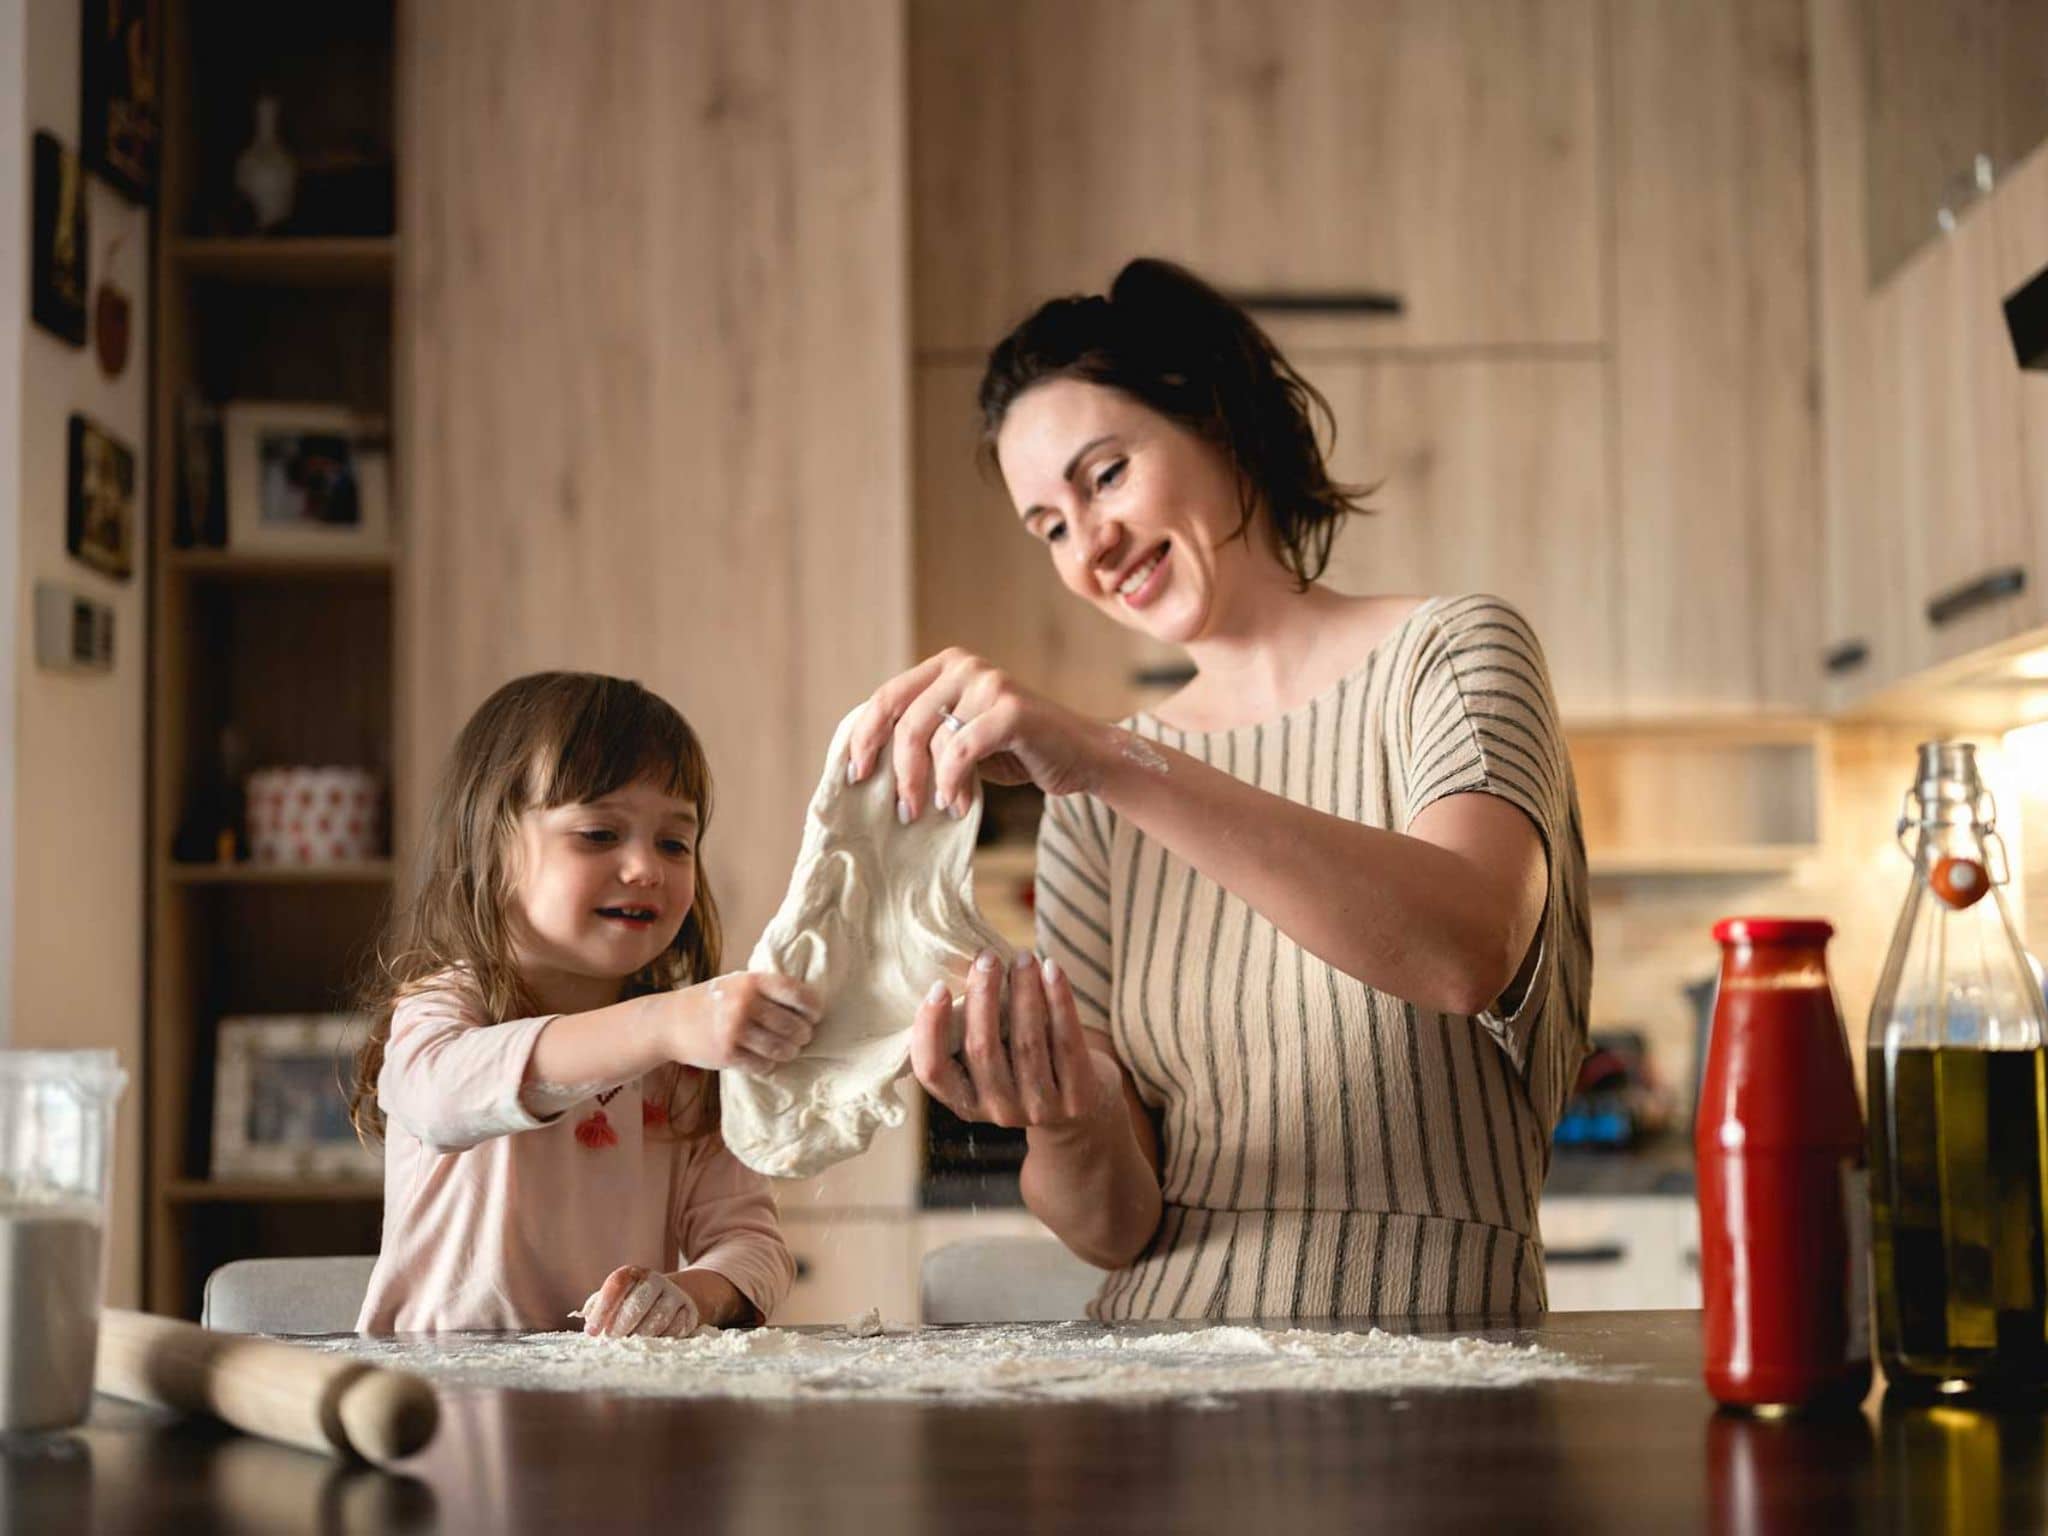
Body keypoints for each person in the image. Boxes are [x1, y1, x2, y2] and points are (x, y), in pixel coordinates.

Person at [850, 258, 1591, 1322]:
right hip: (1162, 1390)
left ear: (1220, 422)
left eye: (1103, 475)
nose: (1089, 545)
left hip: (1434, 1369)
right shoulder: (1091, 799)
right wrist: (1053, 1110)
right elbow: (1112, 1225)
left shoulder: (1451, 652)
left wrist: (1109, 759)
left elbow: (1463, 946)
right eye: (1049, 526)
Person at [350, 671, 820, 1335]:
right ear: (491, 844)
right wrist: (662, 1023)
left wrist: (693, 1292)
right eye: (600, 834)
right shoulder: (448, 1006)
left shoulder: (684, 1063)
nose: (646, 869)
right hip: (439, 1411)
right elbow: (439, 1096)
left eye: (674, 842)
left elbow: (756, 1247)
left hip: (611, 1410)